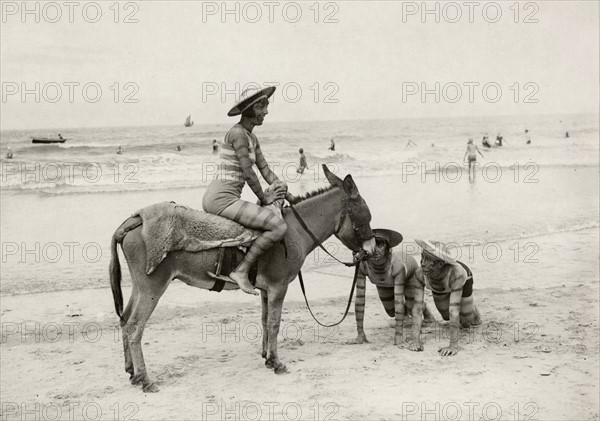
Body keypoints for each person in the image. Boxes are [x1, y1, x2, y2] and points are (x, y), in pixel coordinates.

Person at [202, 86, 291, 296]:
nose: (266, 111)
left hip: (227, 199)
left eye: (266, 105)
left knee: (275, 203)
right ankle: (241, 272)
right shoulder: (237, 134)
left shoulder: (252, 137)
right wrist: (264, 197)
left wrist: (285, 190)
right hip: (221, 200)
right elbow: (249, 173)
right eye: (262, 106)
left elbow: (265, 169)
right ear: (250, 108)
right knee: (278, 227)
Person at [349, 229, 433, 346]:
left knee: (410, 307)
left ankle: (427, 312)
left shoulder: (396, 265)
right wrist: (360, 333)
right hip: (384, 282)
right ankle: (404, 316)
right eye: (372, 244)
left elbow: (399, 301)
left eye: (380, 244)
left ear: (388, 248)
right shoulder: (363, 265)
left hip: (410, 273)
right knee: (391, 312)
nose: (375, 249)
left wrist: (398, 336)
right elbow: (359, 299)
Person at [412, 240, 481, 356]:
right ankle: (464, 306)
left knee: (466, 322)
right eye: (422, 257)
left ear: (440, 264)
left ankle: (473, 311)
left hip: (462, 279)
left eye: (428, 260)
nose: (423, 263)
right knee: (446, 317)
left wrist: (453, 345)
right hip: (439, 284)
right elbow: (417, 308)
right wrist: (415, 340)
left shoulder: (457, 273)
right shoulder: (420, 273)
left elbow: (454, 311)